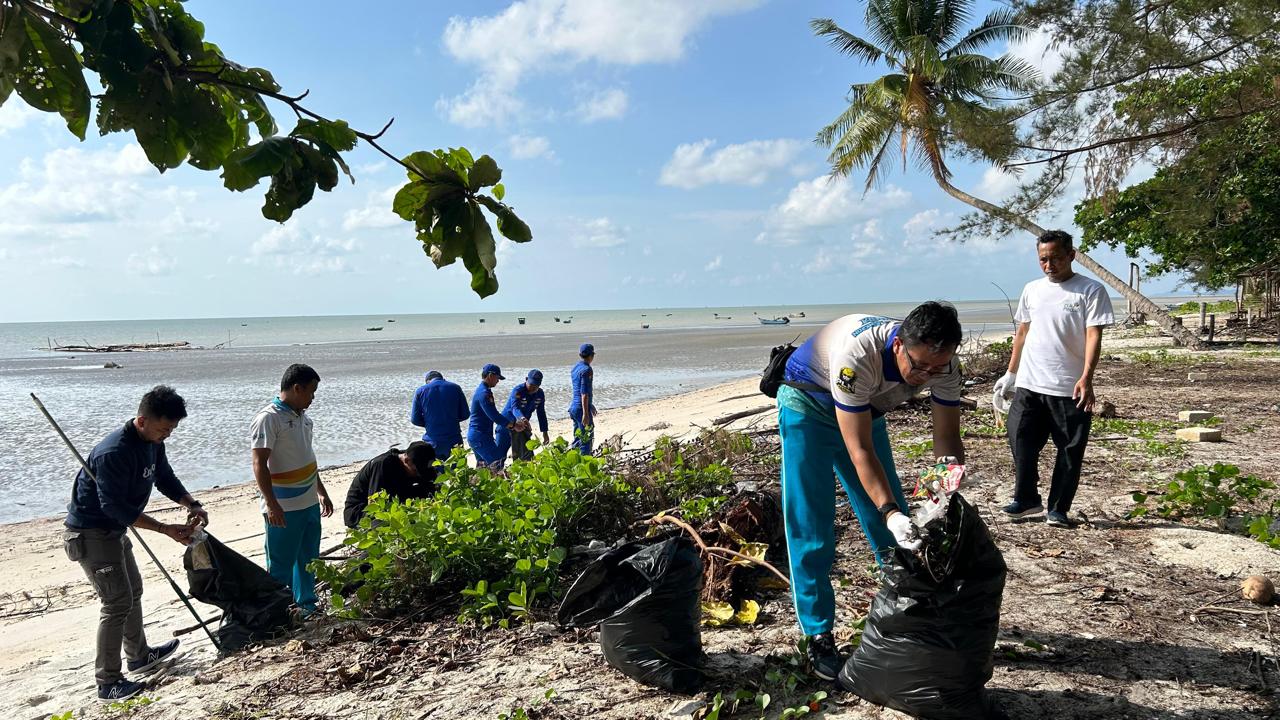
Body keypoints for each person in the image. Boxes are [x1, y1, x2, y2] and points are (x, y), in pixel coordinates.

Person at [777, 302, 966, 681]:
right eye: (919, 367)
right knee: (812, 527)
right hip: (808, 407)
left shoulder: (944, 365)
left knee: (893, 532)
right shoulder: (856, 356)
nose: (926, 376)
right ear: (898, 345)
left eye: (936, 368)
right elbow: (858, 450)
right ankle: (818, 635)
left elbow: (946, 438)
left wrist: (938, 497)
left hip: (866, 412)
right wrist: (891, 511)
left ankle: (906, 614)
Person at [62, 385, 208, 702]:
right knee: (115, 603)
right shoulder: (114, 452)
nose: (166, 436)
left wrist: (190, 503)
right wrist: (164, 528)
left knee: (134, 592)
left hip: (114, 531)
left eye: (170, 430)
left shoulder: (152, 443)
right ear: (142, 421)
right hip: (92, 532)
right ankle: (108, 682)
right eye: (162, 429)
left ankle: (139, 657)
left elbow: (163, 476)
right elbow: (113, 507)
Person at [995, 230, 1115, 528]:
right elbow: (1022, 332)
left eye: (1056, 258)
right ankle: (1026, 499)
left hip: (1069, 385)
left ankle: (1058, 508)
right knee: (1019, 437)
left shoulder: (1090, 290)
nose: (1049, 265)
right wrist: (1011, 373)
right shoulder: (1032, 290)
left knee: (1070, 450)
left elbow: (1093, 335)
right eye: (1043, 260)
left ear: (1071, 256)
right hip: (1030, 383)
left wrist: (1087, 377)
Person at [250, 363, 334, 615]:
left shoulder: (303, 418)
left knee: (309, 559)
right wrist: (271, 503)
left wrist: (321, 490)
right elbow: (259, 463)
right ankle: (277, 611)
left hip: (308, 501)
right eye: (311, 391)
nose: (313, 398)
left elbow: (307, 457)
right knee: (281, 564)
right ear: (296, 388)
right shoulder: (268, 418)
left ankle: (307, 604)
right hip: (283, 506)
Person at [343, 441, 438, 528]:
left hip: (394, 499)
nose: (418, 475)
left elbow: (432, 486)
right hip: (359, 512)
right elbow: (375, 504)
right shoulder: (382, 465)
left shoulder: (419, 458)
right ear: (406, 460)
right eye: (416, 471)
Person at [409, 370, 470, 459]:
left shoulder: (420, 391)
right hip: (454, 438)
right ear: (442, 379)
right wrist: (451, 420)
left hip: (433, 441)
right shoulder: (455, 388)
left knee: (434, 471)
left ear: (427, 381)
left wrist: (429, 423)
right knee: (458, 470)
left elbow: (415, 419)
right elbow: (465, 414)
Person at [468, 364, 516, 470]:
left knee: (483, 469)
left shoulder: (483, 391)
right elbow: (494, 416)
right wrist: (513, 425)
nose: (498, 381)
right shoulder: (484, 393)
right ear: (490, 375)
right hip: (480, 436)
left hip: (478, 436)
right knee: (497, 463)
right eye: (497, 378)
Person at [497, 369, 550, 462]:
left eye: (536, 386)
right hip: (506, 424)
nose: (533, 388)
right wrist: (522, 418)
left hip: (522, 427)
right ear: (526, 379)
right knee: (499, 456)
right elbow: (515, 408)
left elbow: (541, 413)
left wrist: (545, 432)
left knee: (524, 457)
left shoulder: (540, 394)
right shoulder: (518, 390)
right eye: (531, 385)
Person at [568, 343, 597, 455]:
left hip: (574, 408)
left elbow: (578, 390)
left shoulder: (576, 367)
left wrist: (590, 405)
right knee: (586, 438)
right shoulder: (587, 370)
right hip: (581, 409)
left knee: (577, 437)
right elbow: (584, 393)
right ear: (591, 356)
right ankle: (584, 464)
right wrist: (586, 413)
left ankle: (574, 462)